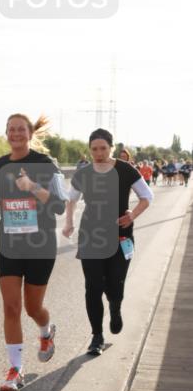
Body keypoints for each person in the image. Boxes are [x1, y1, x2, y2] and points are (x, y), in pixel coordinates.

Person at [0, 113, 67, 391]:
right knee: (11, 307)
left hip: (40, 245)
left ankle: (46, 331)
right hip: (10, 245)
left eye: (21, 129)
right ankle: (15, 369)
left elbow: (59, 205)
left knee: (33, 308)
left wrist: (32, 187)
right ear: (6, 133)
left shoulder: (47, 165)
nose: (16, 134)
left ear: (30, 134)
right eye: (11, 129)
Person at [63, 128, 153, 355]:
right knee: (93, 287)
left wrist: (132, 215)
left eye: (103, 148)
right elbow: (71, 200)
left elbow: (147, 197)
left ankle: (115, 306)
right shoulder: (83, 173)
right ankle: (97, 336)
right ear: (89, 149)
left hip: (120, 235)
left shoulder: (125, 170)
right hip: (91, 235)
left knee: (115, 284)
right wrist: (69, 223)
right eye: (94, 149)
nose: (99, 153)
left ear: (111, 148)